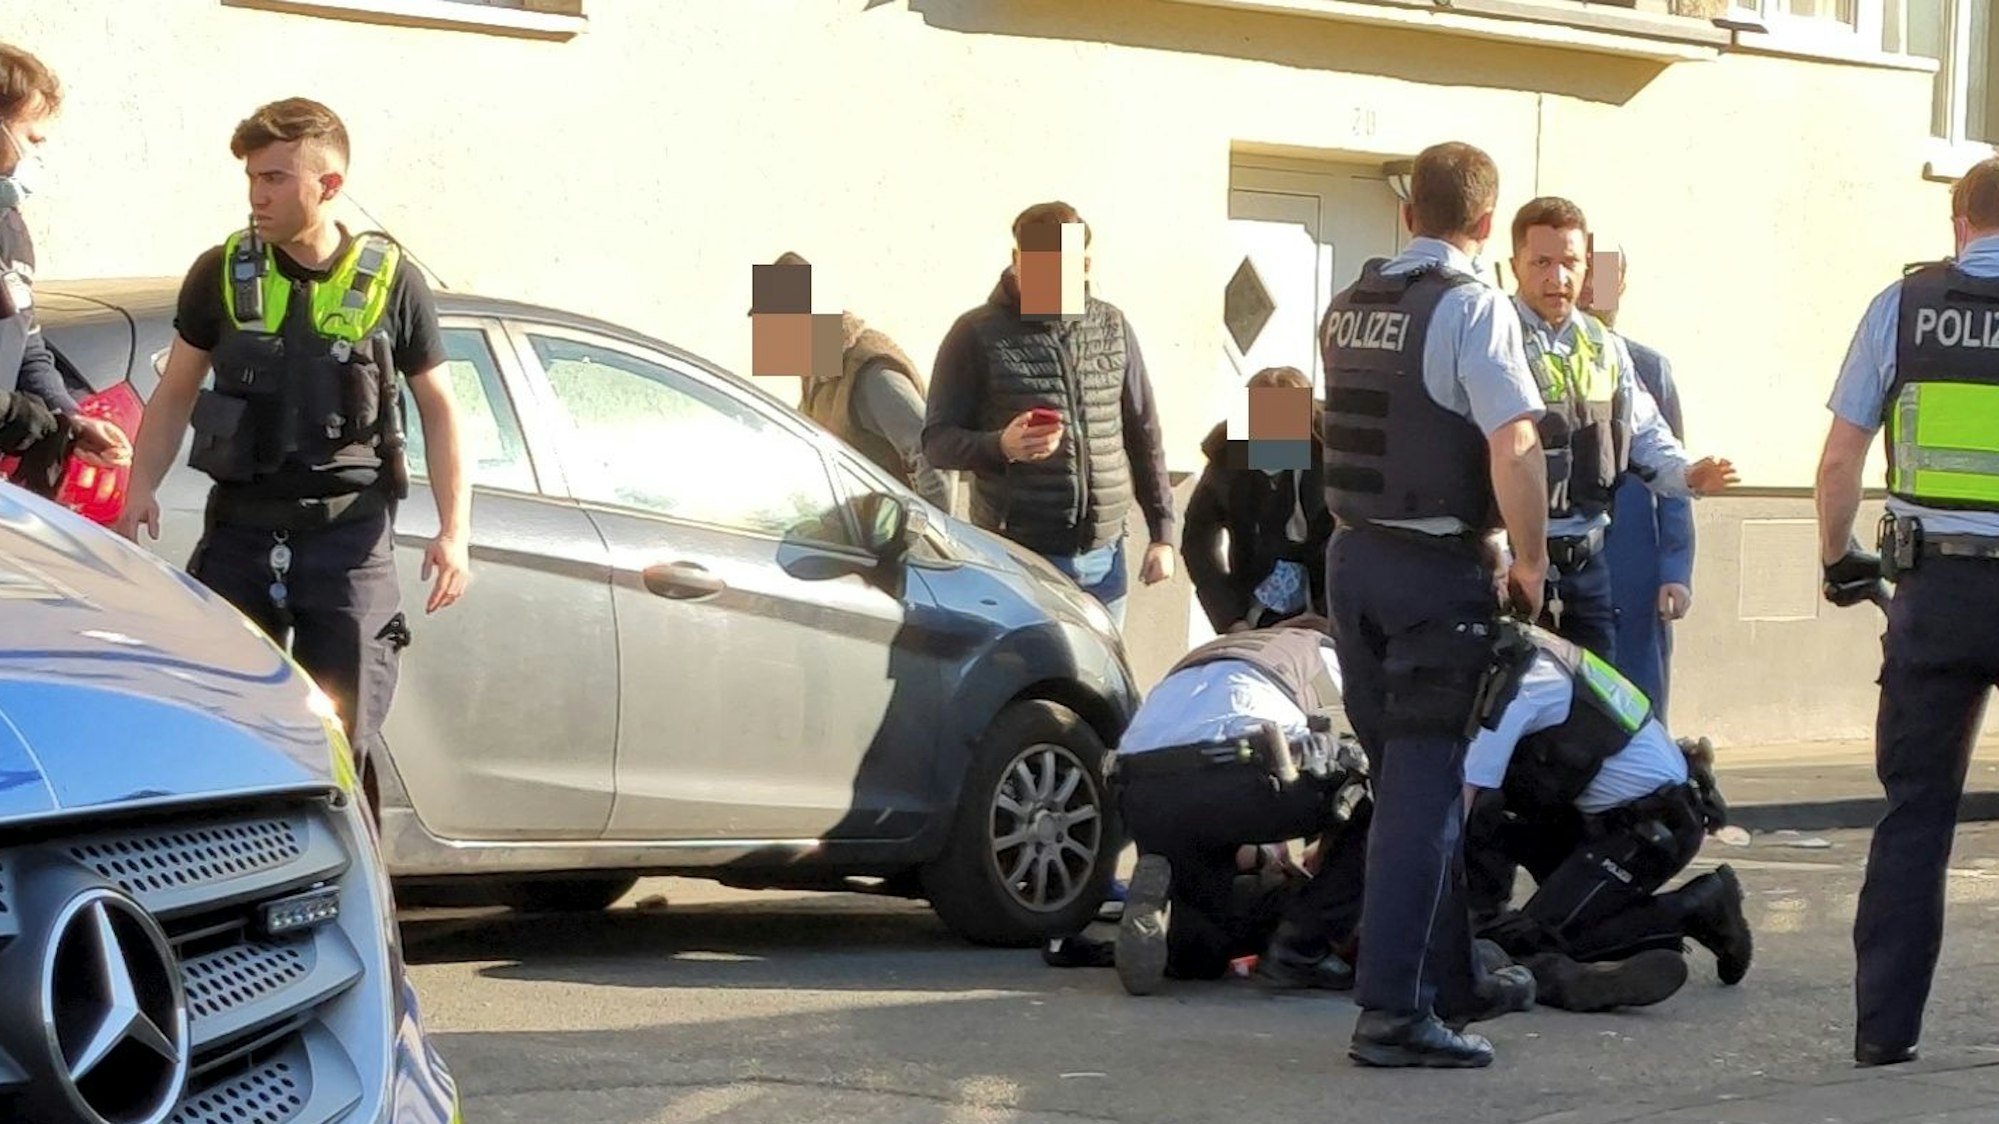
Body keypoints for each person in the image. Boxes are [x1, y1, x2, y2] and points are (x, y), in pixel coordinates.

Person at [116, 97, 470, 811]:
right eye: (252, 177)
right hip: (241, 531)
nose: (257, 195)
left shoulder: (391, 280)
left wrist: (454, 531)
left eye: (275, 177)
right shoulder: (220, 271)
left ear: (328, 186)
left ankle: (342, 899)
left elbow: (440, 406)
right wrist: (138, 489)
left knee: (340, 740)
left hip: (348, 540)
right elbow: (176, 391)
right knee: (219, 730)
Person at [1318, 140, 1549, 1069]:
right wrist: (1529, 559)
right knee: (1422, 795)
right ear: (1486, 225)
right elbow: (1516, 443)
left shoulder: (1347, 305)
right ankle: (1393, 1013)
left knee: (1409, 786)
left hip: (1352, 562)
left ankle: (1451, 978)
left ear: (1409, 211)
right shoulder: (1470, 308)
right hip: (1431, 574)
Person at [1815, 155, 1999, 1069]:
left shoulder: (1903, 307)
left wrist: (1835, 557)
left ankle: (1884, 1033)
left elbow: (1841, 457)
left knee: (1915, 816)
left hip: (1937, 591)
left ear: (1959, 224)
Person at [1460, 615, 1751, 1012]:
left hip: (1650, 829)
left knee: (1534, 937)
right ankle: (1501, 939)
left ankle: (1695, 909)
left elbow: (1462, 798)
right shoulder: (1524, 648)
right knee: (1496, 822)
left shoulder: (1518, 687)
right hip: (1598, 819)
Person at [921, 201, 1177, 628]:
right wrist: (998, 445)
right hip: (1017, 557)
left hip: (1104, 561)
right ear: (1017, 262)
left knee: (1101, 689)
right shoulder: (974, 334)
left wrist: (1162, 534)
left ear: (1084, 265)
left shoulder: (1112, 326)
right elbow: (936, 442)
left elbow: (1143, 431)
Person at [1506, 197, 1736, 662]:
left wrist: (1688, 477)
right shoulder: (1490, 333)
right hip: (1515, 563)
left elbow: (1650, 438)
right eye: (1542, 263)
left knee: (1609, 711)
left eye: (1572, 264)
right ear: (1516, 265)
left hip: (1594, 563)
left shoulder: (1609, 350)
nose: (1560, 279)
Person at [1097, 615, 1371, 997]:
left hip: (1140, 789)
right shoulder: (1325, 653)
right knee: (1379, 794)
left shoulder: (1211, 653)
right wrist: (1327, 872)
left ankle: (1179, 940)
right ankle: (1301, 952)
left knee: (1202, 958)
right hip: (1241, 776)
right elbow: (1356, 753)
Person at [0, 42, 131, 491]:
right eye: (30, 137)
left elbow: (27, 344)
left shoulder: (10, 226)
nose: (37, 152)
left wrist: (69, 416)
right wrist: (17, 416)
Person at [1582, 246, 1696, 720]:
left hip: (1634, 557)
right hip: (1569, 548)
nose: (1593, 294)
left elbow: (1676, 475)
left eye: (1605, 282)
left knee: (1639, 693)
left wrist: (1675, 568)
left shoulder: (1647, 368)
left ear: (1621, 288)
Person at [753, 251, 952, 511]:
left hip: (885, 537)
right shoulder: (817, 370)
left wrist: (930, 540)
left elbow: (934, 455)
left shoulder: (870, 374)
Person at [1183, 366, 1333, 634]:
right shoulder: (1230, 455)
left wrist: (1335, 618)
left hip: (1328, 608)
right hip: (1253, 610)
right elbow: (1198, 542)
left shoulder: (1331, 451)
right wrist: (1231, 619)